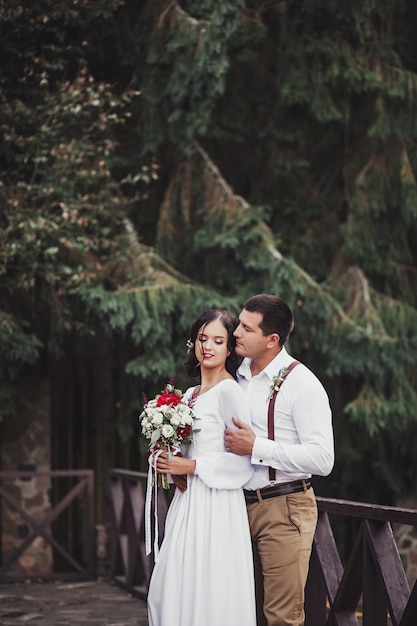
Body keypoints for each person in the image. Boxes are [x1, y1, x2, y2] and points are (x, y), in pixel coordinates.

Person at [224, 294, 334, 626]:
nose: (236, 333)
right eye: (239, 323)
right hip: (231, 506)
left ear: (272, 340)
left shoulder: (302, 383)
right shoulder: (234, 375)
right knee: (231, 608)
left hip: (283, 508)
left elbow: (323, 459)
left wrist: (258, 447)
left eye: (246, 328)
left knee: (281, 616)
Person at [147, 309, 256, 626]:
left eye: (218, 340)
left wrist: (191, 465)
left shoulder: (230, 391)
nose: (207, 346)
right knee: (169, 585)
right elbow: (181, 449)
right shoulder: (190, 395)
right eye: (202, 338)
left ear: (229, 348)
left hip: (217, 504)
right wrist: (164, 456)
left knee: (210, 586)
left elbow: (243, 462)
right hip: (187, 501)